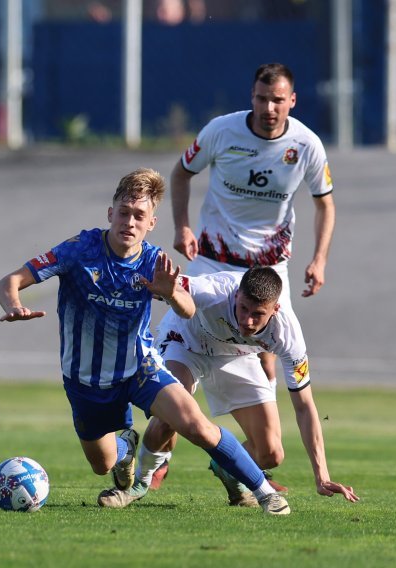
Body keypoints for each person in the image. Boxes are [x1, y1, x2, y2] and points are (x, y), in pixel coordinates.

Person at [0, 168, 291, 515]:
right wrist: (14, 306)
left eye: (139, 216)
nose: (129, 222)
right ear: (111, 213)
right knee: (102, 464)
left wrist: (170, 293)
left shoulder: (154, 261)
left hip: (141, 369)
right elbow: (10, 280)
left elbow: (188, 308)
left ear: (151, 223)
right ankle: (125, 447)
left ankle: (265, 492)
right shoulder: (79, 249)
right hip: (86, 381)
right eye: (124, 213)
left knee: (197, 425)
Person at [158, 61, 336, 484]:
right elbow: (181, 173)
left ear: (292, 101)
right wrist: (182, 226)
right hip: (214, 264)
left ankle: (235, 462)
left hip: (268, 275)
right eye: (261, 98)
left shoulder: (307, 145)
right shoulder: (222, 130)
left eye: (278, 99)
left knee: (272, 368)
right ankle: (159, 449)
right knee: (184, 368)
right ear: (251, 97)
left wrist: (320, 258)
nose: (268, 107)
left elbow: (325, 203)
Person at [112, 266, 358, 508]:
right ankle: (139, 483)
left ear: (276, 310)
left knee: (271, 453)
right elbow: (156, 282)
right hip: (185, 343)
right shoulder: (215, 291)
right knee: (171, 415)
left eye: (258, 314)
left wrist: (322, 475)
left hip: (236, 355)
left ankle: (226, 466)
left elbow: (305, 407)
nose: (247, 321)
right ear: (236, 295)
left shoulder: (288, 334)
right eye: (243, 308)